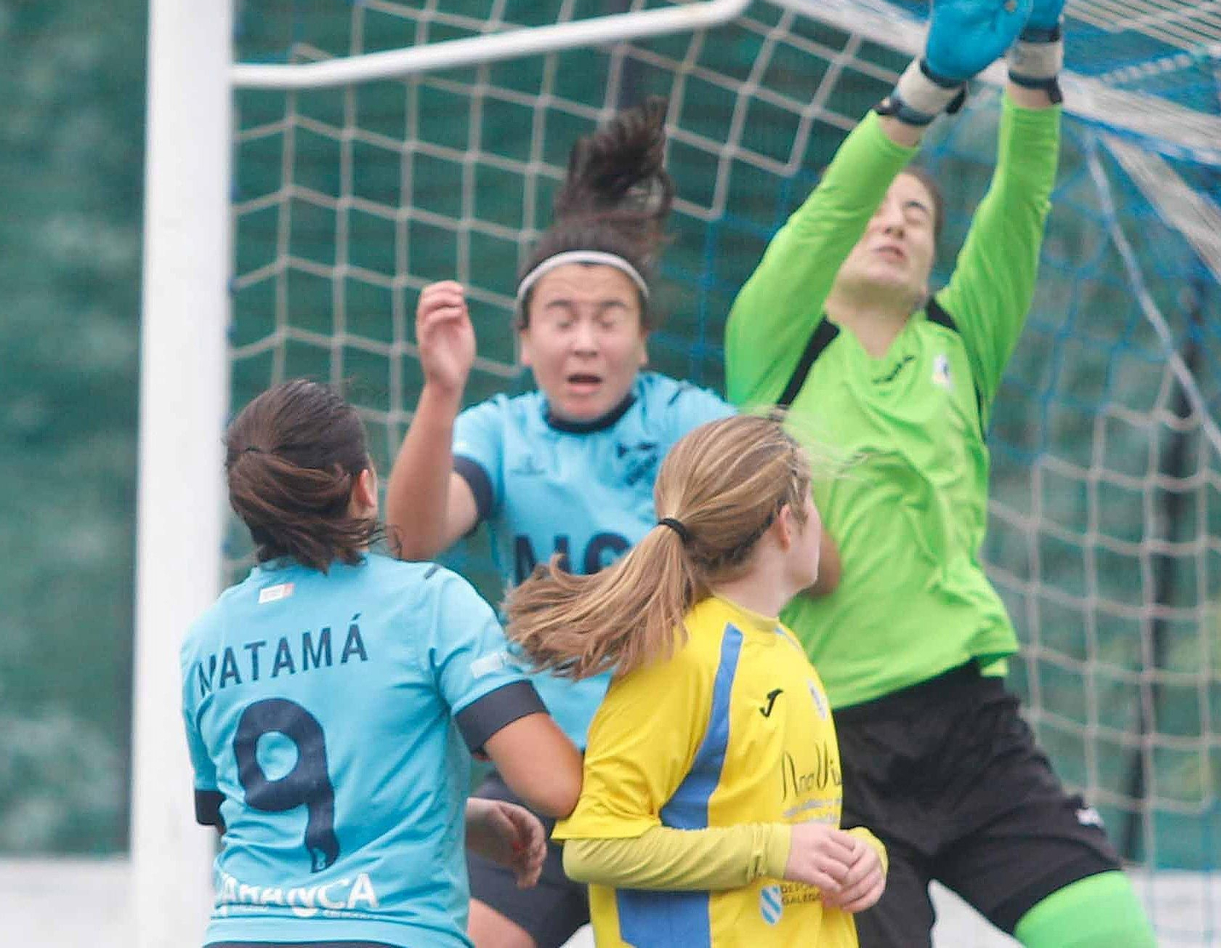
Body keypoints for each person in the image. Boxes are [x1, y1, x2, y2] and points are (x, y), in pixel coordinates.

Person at [724, 0, 1157, 948]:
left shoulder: (959, 346)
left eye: (916, 212)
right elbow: (835, 199)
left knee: (1113, 935)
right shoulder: (776, 344)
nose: (894, 221)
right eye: (881, 209)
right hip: (821, 750)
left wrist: (1038, 46)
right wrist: (928, 82)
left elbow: (1023, 196)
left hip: (972, 726)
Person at [384, 99, 735, 948]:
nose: (585, 341)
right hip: (541, 776)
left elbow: (789, 550)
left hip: (681, 780)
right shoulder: (499, 432)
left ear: (643, 340)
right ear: (525, 337)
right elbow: (412, 540)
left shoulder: (689, 422)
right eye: (563, 319)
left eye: (608, 319)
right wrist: (441, 392)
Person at [181, 379, 583, 948]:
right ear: (366, 487)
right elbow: (555, 786)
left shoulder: (206, 640)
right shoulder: (428, 602)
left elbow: (251, 816)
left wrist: (456, 816)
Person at [503, 414, 886, 946]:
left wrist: (861, 855)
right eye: (814, 500)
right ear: (786, 522)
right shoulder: (684, 658)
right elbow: (595, 846)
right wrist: (772, 851)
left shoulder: (783, 647)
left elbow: (782, 829)